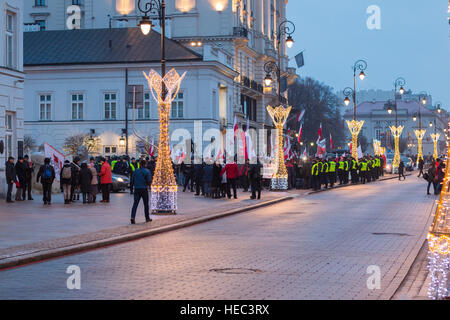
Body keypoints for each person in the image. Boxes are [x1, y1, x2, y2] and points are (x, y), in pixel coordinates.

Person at [130, 160, 152, 225]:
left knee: (135, 204)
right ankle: (147, 218)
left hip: (137, 188)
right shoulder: (147, 171)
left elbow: (132, 180)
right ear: (145, 164)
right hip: (144, 189)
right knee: (145, 204)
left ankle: (132, 217)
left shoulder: (135, 171)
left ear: (140, 164)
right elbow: (149, 181)